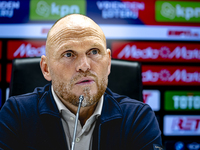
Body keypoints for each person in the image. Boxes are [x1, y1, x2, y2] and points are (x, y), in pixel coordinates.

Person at [0, 14, 163, 150]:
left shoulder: (138, 118)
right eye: (69, 54)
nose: (84, 66)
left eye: (94, 51)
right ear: (46, 68)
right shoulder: (16, 115)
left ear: (108, 63)